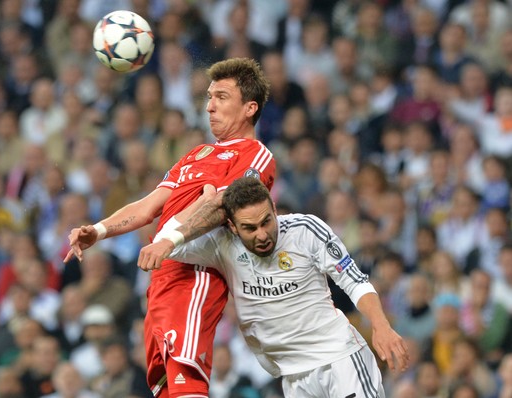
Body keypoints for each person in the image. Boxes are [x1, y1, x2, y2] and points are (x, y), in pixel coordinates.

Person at [65, 57, 276, 397]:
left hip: (196, 274)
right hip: (162, 278)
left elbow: (222, 205)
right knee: (166, 389)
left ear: (250, 107)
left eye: (221, 97)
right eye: (209, 97)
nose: (209, 107)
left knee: (187, 384)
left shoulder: (254, 154)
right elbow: (148, 207)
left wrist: (170, 241)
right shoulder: (195, 155)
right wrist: (99, 230)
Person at [139, 177, 409, 397]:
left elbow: (355, 280)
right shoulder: (220, 245)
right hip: (291, 376)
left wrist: (380, 326)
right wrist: (206, 205)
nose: (262, 234)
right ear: (231, 226)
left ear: (274, 209)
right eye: (250, 228)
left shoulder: (306, 230)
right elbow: (165, 243)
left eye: (267, 221)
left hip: (340, 359)